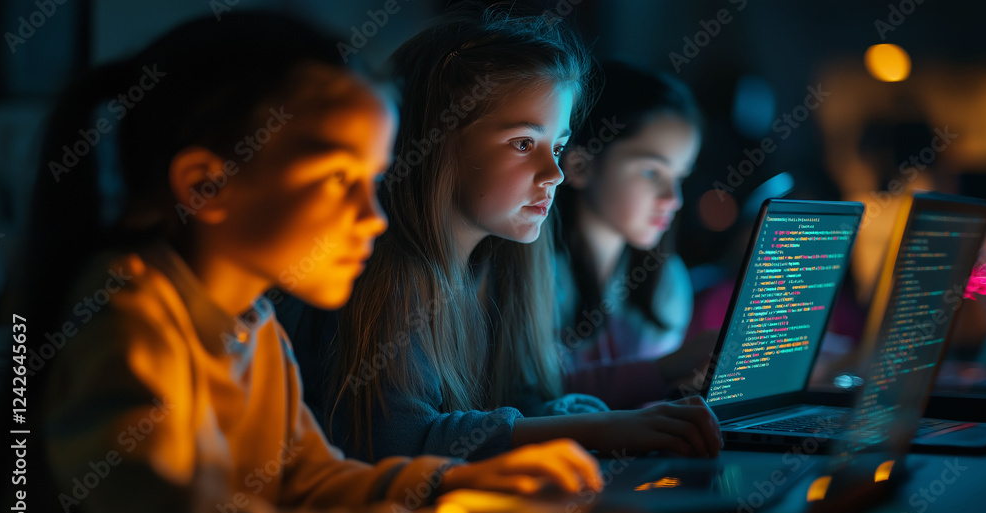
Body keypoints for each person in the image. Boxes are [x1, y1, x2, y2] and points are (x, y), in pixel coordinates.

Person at [3, 12, 612, 513]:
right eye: (336, 178)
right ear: (207, 185)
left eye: (373, 180)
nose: (374, 217)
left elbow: (307, 483)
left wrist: (450, 484)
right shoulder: (122, 314)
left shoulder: (253, 325)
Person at [284, 4, 721, 465]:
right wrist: (604, 427)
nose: (553, 172)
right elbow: (399, 443)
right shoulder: (392, 277)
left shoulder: (501, 270)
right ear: (436, 142)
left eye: (556, 146)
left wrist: (612, 424)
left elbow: (520, 402)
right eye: (522, 144)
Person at [554, 61, 709, 400]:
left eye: (680, 177)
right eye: (652, 173)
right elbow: (528, 401)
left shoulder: (665, 282)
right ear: (580, 166)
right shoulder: (538, 277)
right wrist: (667, 368)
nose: (674, 199)